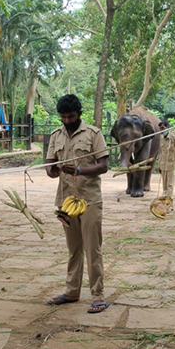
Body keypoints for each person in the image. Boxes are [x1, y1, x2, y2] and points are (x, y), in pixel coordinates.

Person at [45, 94, 110, 313]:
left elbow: (103, 166)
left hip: (89, 199)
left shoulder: (93, 134)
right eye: (63, 117)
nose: (67, 121)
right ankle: (72, 291)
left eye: (71, 116)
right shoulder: (56, 135)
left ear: (79, 114)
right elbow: (49, 165)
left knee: (93, 249)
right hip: (65, 201)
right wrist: (52, 170)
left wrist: (80, 170)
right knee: (73, 249)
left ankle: (98, 295)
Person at [157, 120, 175, 201]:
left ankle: (168, 201)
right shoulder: (161, 138)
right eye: (160, 129)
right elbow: (161, 152)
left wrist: (173, 156)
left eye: (163, 128)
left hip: (171, 165)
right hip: (163, 165)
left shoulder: (174, 138)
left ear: (167, 127)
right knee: (164, 185)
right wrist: (159, 165)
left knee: (170, 185)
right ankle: (164, 199)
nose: (161, 130)